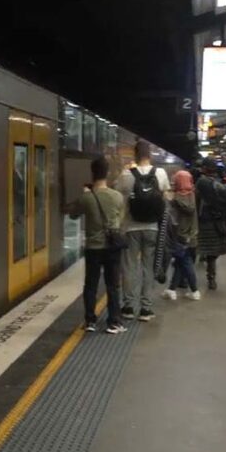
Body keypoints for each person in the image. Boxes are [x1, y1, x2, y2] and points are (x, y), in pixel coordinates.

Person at [68, 157, 127, 334]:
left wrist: (86, 193)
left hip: (93, 248)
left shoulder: (86, 198)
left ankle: (90, 321)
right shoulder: (117, 196)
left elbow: (73, 215)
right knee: (113, 285)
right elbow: (119, 219)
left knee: (91, 285)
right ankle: (113, 322)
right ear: (107, 173)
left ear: (92, 173)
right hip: (112, 247)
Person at [115, 139, 170, 322]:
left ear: (135, 154)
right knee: (148, 267)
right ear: (150, 154)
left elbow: (118, 197)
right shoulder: (160, 173)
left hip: (131, 227)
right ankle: (146, 309)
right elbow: (165, 199)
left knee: (129, 267)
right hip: (152, 228)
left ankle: (128, 307)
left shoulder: (126, 175)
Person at [194, 158, 226, 290]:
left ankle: (185, 279)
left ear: (204, 168)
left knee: (195, 248)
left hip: (203, 220)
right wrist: (222, 212)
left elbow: (196, 201)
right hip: (216, 221)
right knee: (212, 254)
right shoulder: (218, 184)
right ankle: (211, 279)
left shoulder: (201, 182)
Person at [162, 170, 200, 301]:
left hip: (181, 236)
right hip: (192, 234)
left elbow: (175, 213)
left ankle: (195, 290)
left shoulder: (178, 198)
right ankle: (171, 289)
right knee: (180, 262)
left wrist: (171, 199)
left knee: (185, 262)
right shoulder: (192, 194)